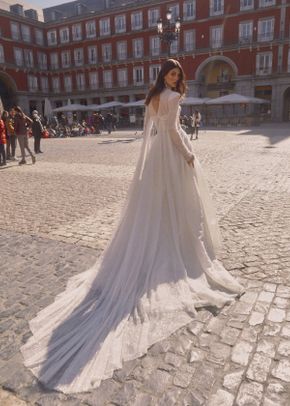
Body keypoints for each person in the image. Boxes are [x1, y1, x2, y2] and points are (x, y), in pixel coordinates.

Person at [21, 59, 244, 394]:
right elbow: (170, 130)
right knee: (179, 203)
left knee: (154, 206)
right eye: (172, 73)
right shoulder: (170, 97)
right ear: (164, 76)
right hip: (169, 152)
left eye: (178, 75)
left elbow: (151, 132)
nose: (176, 78)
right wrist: (187, 154)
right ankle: (176, 246)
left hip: (156, 155)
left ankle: (166, 237)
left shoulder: (153, 96)